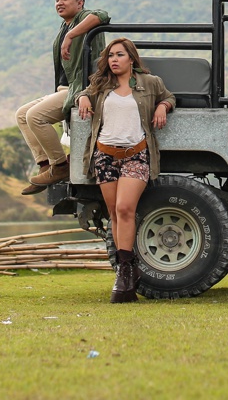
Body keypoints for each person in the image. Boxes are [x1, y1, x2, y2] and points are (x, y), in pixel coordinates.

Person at [75, 37, 175, 303]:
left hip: (136, 154)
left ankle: (125, 270)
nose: (114, 60)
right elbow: (81, 93)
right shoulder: (100, 84)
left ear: (131, 58)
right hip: (105, 155)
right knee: (114, 215)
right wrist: (84, 98)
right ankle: (126, 272)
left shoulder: (150, 83)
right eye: (110, 56)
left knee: (124, 209)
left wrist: (163, 106)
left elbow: (169, 97)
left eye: (119, 55)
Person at [15, 0, 109, 194]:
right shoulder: (64, 26)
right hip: (64, 89)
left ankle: (59, 166)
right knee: (22, 115)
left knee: (35, 117)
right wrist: (67, 33)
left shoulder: (85, 19)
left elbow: (103, 15)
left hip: (82, 88)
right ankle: (46, 166)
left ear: (80, 2)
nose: (59, 2)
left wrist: (71, 35)